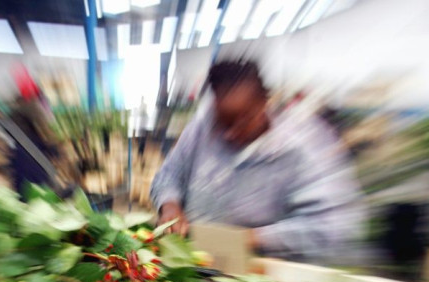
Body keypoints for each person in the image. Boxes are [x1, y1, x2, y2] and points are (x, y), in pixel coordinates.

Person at [150, 59, 365, 263]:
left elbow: (334, 225)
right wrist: (170, 205)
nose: (230, 134)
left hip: (260, 277)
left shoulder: (304, 147)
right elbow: (170, 174)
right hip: (195, 264)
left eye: (243, 120)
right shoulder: (201, 128)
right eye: (222, 122)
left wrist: (252, 239)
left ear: (265, 102)